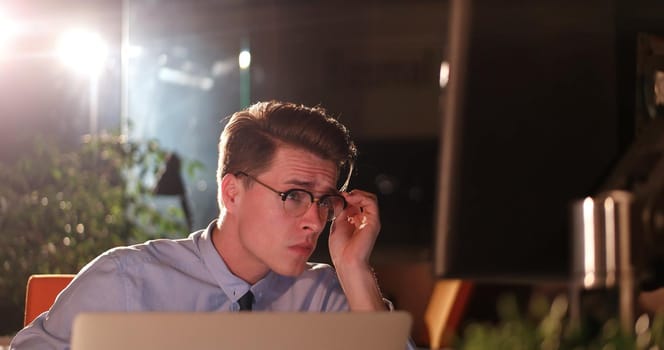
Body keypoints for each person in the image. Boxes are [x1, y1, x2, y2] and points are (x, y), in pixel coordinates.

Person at [10, 100, 414, 349]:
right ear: (232, 193)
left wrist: (354, 268)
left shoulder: (325, 295)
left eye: (324, 202)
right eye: (293, 195)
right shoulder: (127, 281)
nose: (314, 221)